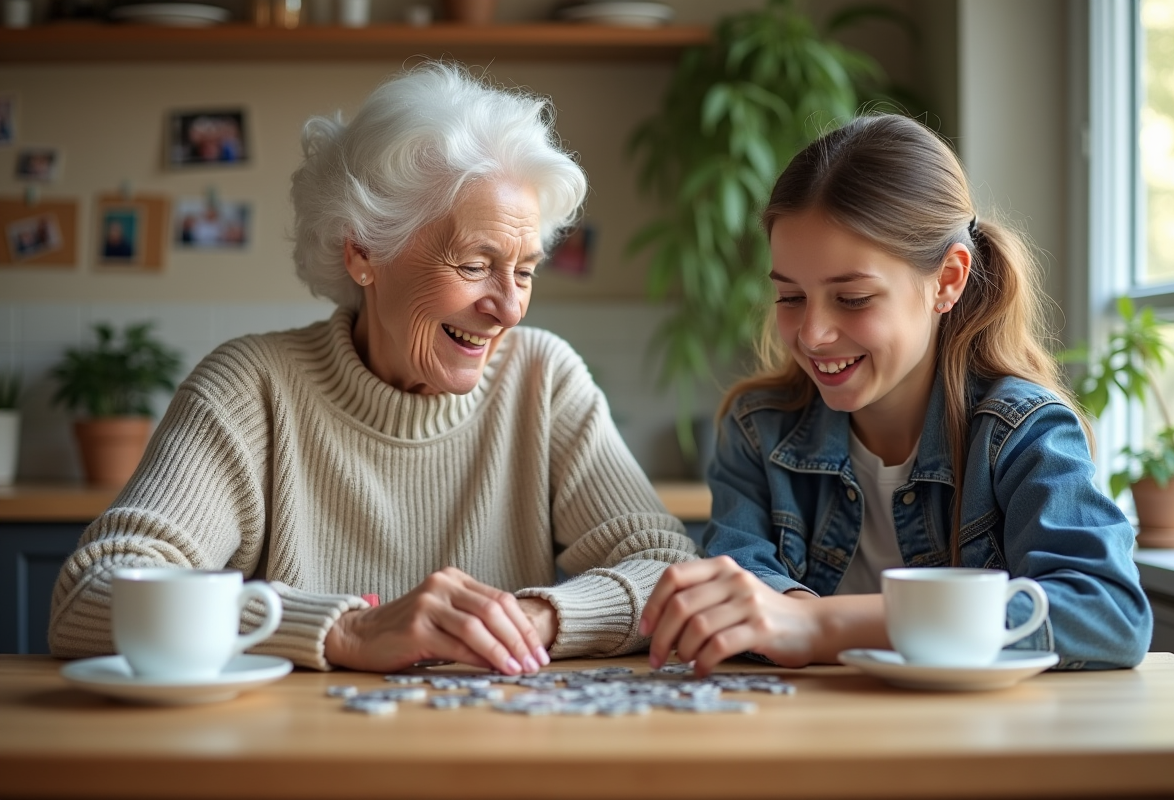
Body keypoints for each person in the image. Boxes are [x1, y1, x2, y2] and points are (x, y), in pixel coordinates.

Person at [49, 63, 697, 673]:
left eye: (524, 271)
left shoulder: (544, 380)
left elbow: (668, 571)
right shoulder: (250, 390)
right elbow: (90, 595)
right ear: (363, 252)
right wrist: (348, 631)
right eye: (475, 265)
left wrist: (530, 620)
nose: (508, 308)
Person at [639, 114, 1152, 676]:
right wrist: (782, 615)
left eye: (853, 298)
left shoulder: (1020, 431)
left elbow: (1110, 613)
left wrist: (817, 624)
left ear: (947, 280)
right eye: (790, 297)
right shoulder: (758, 428)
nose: (812, 334)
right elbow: (739, 587)